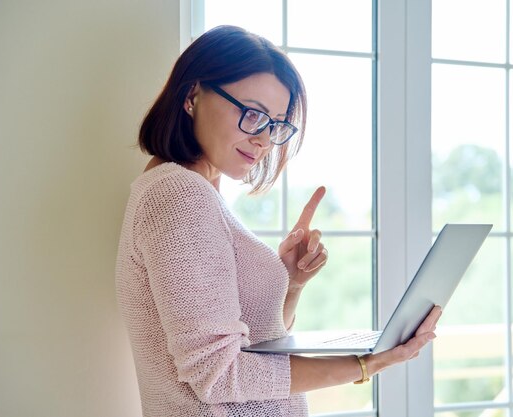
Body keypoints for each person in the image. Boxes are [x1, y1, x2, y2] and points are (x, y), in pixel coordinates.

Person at [115, 25, 441, 417]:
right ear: (191, 95)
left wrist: (290, 285)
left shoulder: (194, 194)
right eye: (252, 114)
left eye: (276, 124)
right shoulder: (178, 194)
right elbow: (219, 376)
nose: (264, 139)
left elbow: (251, 339)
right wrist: (367, 364)